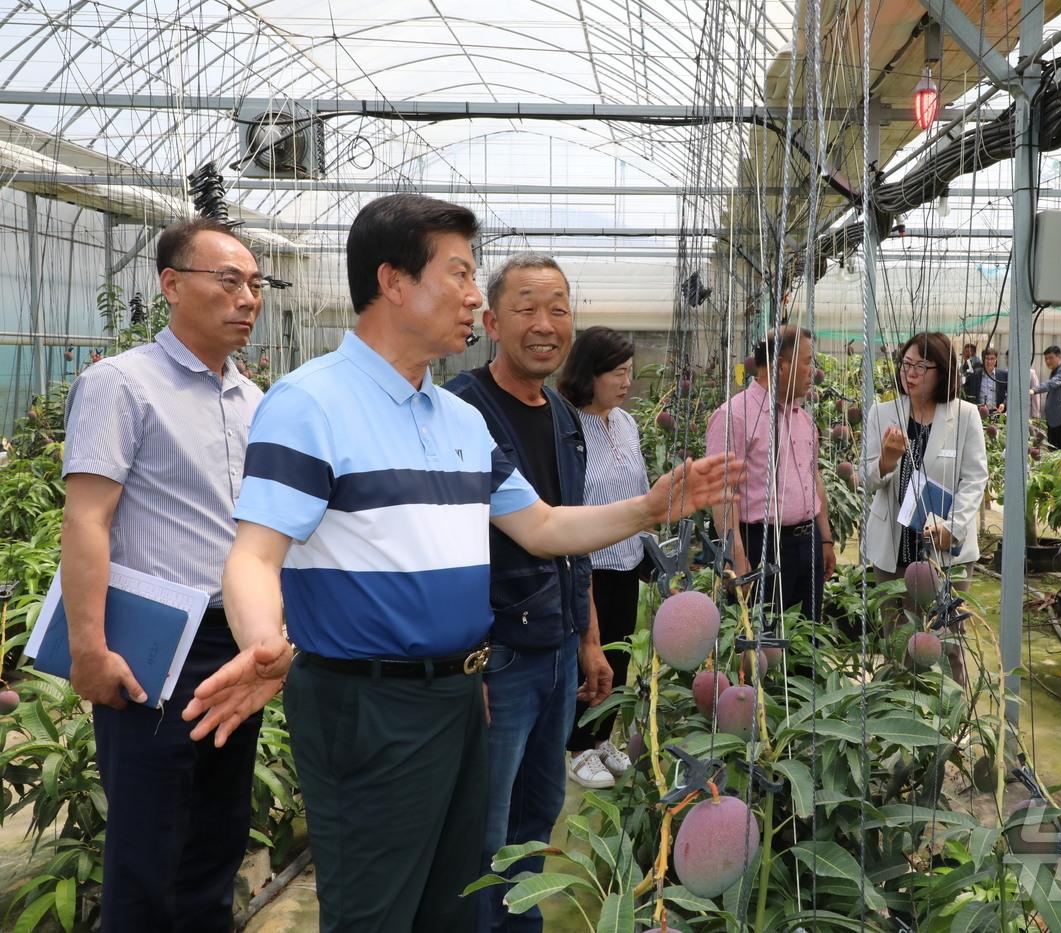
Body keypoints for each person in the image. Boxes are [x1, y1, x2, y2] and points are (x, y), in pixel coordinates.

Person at [179, 194, 736, 933]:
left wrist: (649, 507)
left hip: (461, 695)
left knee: (454, 901)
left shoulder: (460, 420)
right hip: (366, 704)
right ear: (394, 282)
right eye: (461, 273)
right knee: (376, 910)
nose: (477, 296)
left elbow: (539, 526)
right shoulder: (310, 402)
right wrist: (260, 640)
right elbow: (253, 554)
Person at [61, 217, 265, 931]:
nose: (248, 297)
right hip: (155, 645)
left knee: (218, 832)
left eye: (256, 283)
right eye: (229, 280)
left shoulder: (255, 400)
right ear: (172, 285)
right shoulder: (121, 384)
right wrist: (89, 645)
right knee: (147, 844)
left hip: (237, 643)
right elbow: (87, 519)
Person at [443, 253, 611, 932]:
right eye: (527, 307)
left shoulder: (567, 418)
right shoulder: (462, 410)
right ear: (490, 321)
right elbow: (443, 546)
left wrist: (589, 638)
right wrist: (467, 658)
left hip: (555, 653)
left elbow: (572, 541)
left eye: (559, 307)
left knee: (538, 815)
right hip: (499, 655)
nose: (545, 324)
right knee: (483, 830)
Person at [861, 332, 988, 681]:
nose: (910, 373)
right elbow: (867, 479)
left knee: (948, 643)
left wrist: (954, 529)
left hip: (943, 547)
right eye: (906, 364)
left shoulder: (964, 416)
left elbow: (975, 478)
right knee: (897, 639)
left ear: (942, 372)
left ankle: (950, 724)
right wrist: (886, 460)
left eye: (920, 365)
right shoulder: (883, 413)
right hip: (893, 545)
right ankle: (898, 720)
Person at [556, 326, 649, 790]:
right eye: (617, 372)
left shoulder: (626, 423)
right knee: (587, 658)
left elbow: (640, 491)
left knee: (619, 655)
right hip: (587, 565)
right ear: (589, 374)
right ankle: (577, 746)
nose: (625, 381)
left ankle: (603, 737)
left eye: (629, 372)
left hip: (627, 561)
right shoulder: (569, 426)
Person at [706, 325, 835, 627]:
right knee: (762, 649)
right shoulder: (734, 416)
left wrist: (825, 539)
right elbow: (722, 493)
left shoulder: (803, 418)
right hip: (760, 546)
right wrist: (736, 554)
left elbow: (812, 478)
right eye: (807, 361)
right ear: (780, 366)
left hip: (807, 544)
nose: (812, 371)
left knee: (807, 641)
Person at [1034, 346, 1061, 448]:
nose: (1048, 361)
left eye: (1051, 358)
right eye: (1046, 359)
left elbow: (1051, 384)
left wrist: (1034, 390)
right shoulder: (1055, 371)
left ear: (1059, 357)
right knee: (1053, 449)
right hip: (1054, 421)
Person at [964, 348, 1008, 415]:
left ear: (996, 359)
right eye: (987, 358)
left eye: (992, 358)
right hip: (978, 413)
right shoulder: (974, 374)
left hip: (997, 412)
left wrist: (1004, 404)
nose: (989, 361)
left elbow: (1009, 393)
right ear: (983, 359)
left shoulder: (1003, 375)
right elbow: (967, 392)